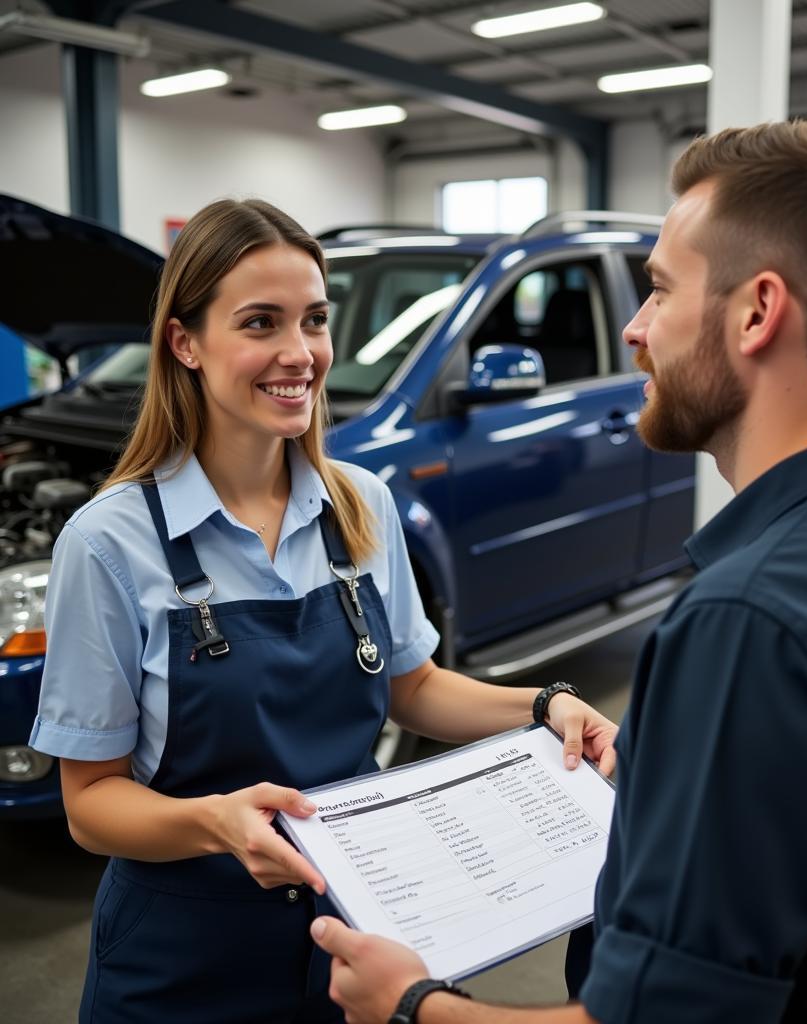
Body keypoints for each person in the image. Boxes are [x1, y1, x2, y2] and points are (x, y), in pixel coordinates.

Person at [309, 120, 807, 1024]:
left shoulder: (746, 623)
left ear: (757, 312)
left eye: (657, 291)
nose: (634, 331)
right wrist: (671, 787)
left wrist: (410, 1004)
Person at [28, 197, 618, 1023]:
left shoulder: (361, 505)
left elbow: (413, 688)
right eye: (261, 323)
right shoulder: (108, 545)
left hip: (354, 946)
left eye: (314, 321)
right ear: (185, 342)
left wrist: (546, 706)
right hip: (184, 962)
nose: (299, 353)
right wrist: (217, 825)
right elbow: (90, 804)